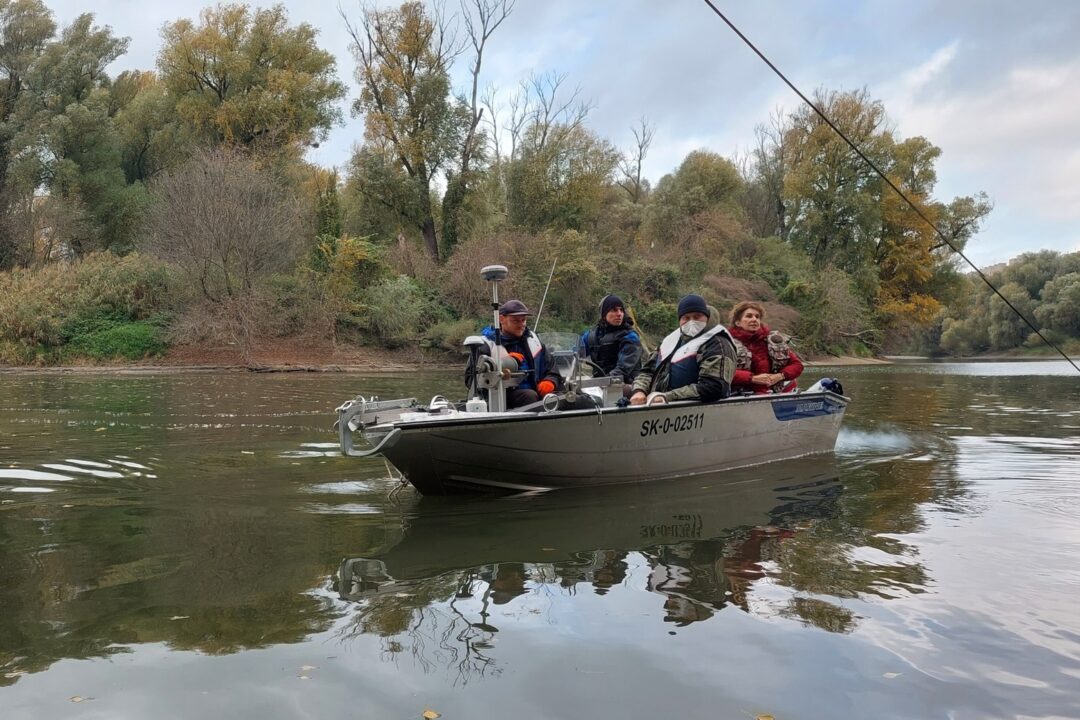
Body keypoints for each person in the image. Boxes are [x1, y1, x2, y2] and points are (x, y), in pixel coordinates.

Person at [629, 294, 737, 405]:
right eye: (686, 318)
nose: (691, 322)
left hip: (694, 411)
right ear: (680, 320)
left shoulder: (717, 343)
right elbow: (647, 371)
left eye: (697, 316)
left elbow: (714, 387)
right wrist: (639, 391)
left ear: (707, 317)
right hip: (658, 409)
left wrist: (667, 397)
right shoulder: (670, 341)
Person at [480, 299, 561, 409]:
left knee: (565, 396)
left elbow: (551, 367)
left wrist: (550, 381)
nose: (521, 325)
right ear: (501, 319)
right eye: (516, 321)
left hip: (535, 392)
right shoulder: (486, 345)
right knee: (529, 396)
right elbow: (472, 380)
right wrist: (506, 363)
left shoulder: (534, 341)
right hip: (501, 397)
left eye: (523, 320)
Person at [727, 301, 803, 395]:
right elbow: (720, 372)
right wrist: (752, 378)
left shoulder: (773, 341)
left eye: (757, 316)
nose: (754, 319)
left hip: (774, 394)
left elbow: (797, 365)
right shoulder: (727, 343)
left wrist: (780, 376)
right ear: (737, 322)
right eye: (749, 316)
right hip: (740, 396)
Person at [578, 294, 643, 389]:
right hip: (599, 385)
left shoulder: (630, 337)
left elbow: (622, 369)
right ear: (604, 314)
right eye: (614, 310)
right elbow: (575, 352)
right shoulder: (592, 335)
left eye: (621, 310)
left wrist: (601, 383)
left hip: (626, 385)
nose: (619, 313)